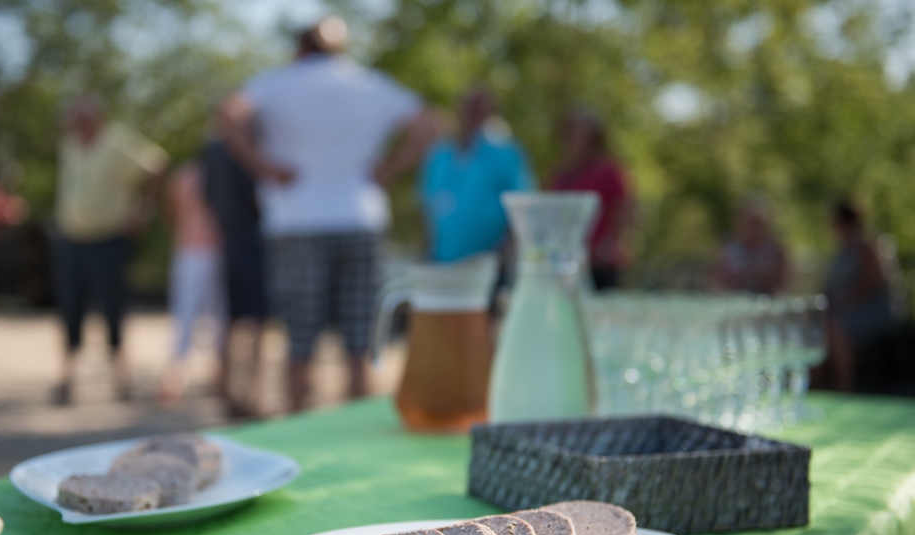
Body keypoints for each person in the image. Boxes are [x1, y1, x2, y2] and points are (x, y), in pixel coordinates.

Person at [222, 16, 438, 412]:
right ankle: (357, 444)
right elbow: (430, 123)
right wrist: (388, 169)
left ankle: (301, 438)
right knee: (360, 341)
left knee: (300, 341)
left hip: (295, 223)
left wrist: (262, 166)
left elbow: (229, 114)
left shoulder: (275, 83)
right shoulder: (369, 84)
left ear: (301, 48)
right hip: (360, 220)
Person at [52, 95, 168, 403]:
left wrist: (142, 210)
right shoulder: (69, 144)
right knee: (70, 308)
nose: (77, 126)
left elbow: (156, 165)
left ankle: (122, 376)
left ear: (97, 119)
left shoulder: (117, 140)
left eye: (82, 120)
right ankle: (67, 377)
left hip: (107, 240)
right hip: (71, 239)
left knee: (113, 307)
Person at [200, 107, 266, 417]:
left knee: (229, 317)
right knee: (255, 320)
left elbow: (207, 196)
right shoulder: (248, 149)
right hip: (253, 239)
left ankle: (227, 386)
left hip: (227, 238)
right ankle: (250, 392)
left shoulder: (211, 150)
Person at [419, 88, 535, 263]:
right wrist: (425, 248)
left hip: (489, 263)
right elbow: (426, 205)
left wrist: (509, 250)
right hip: (442, 259)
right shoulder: (439, 156)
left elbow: (522, 204)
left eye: (480, 109)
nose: (473, 114)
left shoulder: (506, 153)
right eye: (469, 107)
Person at [156, 161, 228, 406]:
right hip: (212, 250)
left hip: (190, 251)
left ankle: (178, 376)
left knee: (187, 313)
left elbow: (171, 216)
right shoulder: (221, 172)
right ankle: (217, 375)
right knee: (217, 314)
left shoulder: (183, 176)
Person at [547, 108, 632, 290]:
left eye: (580, 132)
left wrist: (612, 243)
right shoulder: (561, 174)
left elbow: (625, 208)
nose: (575, 137)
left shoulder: (609, 171)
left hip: (598, 262)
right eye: (571, 131)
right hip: (565, 261)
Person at [824, 199, 897, 392]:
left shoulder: (868, 247)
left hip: (873, 311)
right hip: (845, 309)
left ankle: (844, 386)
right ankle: (817, 384)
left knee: (836, 326)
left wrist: (845, 303)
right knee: (818, 325)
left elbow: (871, 283)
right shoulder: (841, 250)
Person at [713, 194, 788, 295]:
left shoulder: (776, 251)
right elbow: (719, 281)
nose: (752, 228)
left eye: (756, 223)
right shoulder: (728, 249)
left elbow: (783, 283)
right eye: (749, 223)